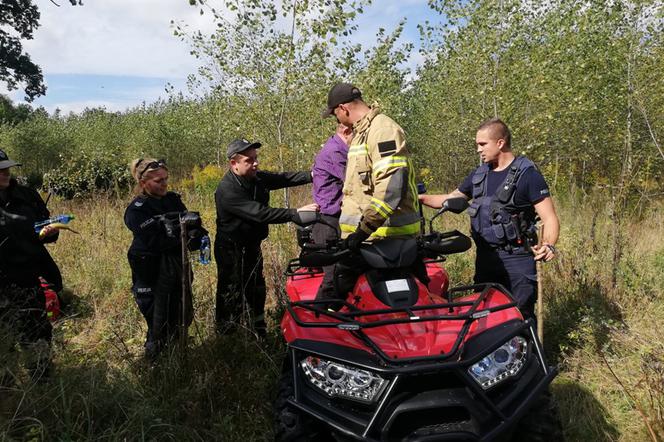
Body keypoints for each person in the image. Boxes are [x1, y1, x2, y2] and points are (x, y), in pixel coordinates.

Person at [419, 118, 560, 320]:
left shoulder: (527, 175)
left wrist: (549, 245)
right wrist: (419, 198)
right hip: (486, 258)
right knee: (483, 315)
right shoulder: (479, 174)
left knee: (520, 316)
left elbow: (550, 217)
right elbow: (450, 199)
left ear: (500, 143)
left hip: (517, 258)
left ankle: (527, 351)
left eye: (482, 144)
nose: (478, 149)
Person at [321, 83, 422, 298]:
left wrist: (362, 231)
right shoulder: (361, 134)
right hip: (369, 239)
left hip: (384, 240)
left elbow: (390, 189)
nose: (337, 120)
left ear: (343, 109)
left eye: (335, 115)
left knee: (332, 300)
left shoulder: (382, 130)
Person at [214, 139, 318, 335]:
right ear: (233, 163)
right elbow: (261, 213)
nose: (255, 163)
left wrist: (313, 175)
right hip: (230, 248)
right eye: (249, 160)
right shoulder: (228, 190)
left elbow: (283, 178)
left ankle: (258, 328)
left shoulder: (256, 178)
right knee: (231, 290)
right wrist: (295, 213)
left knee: (256, 286)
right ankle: (228, 334)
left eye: (256, 158)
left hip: (252, 243)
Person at [124, 158, 207, 360]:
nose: (164, 184)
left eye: (166, 179)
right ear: (143, 183)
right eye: (158, 181)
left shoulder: (172, 199)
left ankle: (179, 354)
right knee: (157, 320)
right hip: (150, 268)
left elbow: (191, 223)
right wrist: (181, 235)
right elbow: (155, 241)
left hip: (177, 265)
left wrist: (198, 234)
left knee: (181, 312)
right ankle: (155, 363)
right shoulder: (137, 209)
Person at [0, 149, 59, 381]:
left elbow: (45, 230)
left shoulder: (26, 196)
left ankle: (42, 381)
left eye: (7, 168)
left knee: (36, 333)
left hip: (27, 279)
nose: (5, 173)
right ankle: (7, 391)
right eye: (0, 170)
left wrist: (50, 232)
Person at [311, 122, 352, 301]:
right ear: (347, 131)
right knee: (334, 278)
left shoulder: (337, 148)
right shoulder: (336, 151)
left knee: (346, 273)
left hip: (336, 220)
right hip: (329, 223)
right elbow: (353, 181)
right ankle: (317, 321)